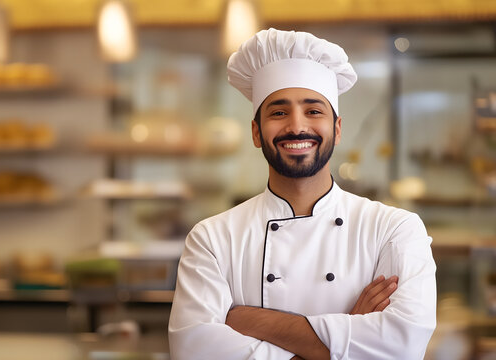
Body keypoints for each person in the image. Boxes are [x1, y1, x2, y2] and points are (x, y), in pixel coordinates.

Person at [168, 29, 436, 359]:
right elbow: (192, 349)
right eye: (279, 112)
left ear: (336, 129)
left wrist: (249, 320)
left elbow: (403, 345)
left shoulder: (394, 230)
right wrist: (349, 330)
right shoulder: (212, 239)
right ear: (256, 131)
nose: (296, 126)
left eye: (313, 111)